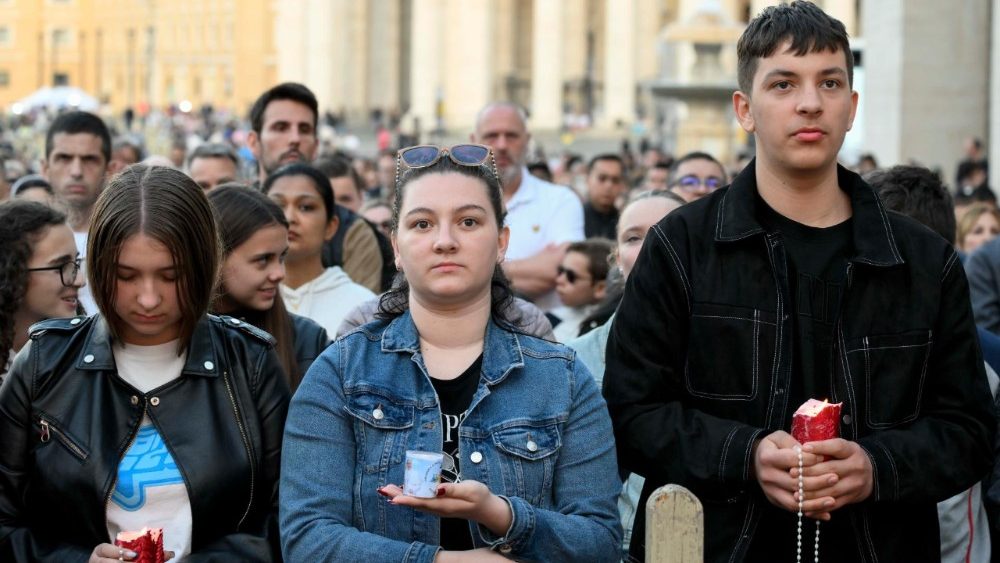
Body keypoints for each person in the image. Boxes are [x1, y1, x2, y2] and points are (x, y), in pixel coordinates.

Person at [604, 3, 995, 562]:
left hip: (877, 544)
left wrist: (874, 465)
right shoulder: (681, 246)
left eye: (829, 82)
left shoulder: (925, 261)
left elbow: (970, 430)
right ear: (744, 108)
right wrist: (747, 454)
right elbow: (630, 409)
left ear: (852, 106)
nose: (810, 102)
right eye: (783, 83)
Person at [280, 144, 622, 562]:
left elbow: (600, 542)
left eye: (468, 221)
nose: (445, 241)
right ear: (397, 248)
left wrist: (500, 514)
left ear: (501, 242)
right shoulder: (339, 372)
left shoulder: (563, 379)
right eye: (423, 223)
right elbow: (307, 538)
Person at [0, 165, 290, 561]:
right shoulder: (44, 364)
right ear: (99, 268)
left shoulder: (250, 364)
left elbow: (286, 519)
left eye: (171, 276)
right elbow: (6, 522)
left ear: (203, 265)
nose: (149, 298)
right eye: (127, 276)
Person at [566, 190, 684, 554]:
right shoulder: (573, 361)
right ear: (617, 259)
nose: (652, 245)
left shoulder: (736, 357)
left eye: (669, 231)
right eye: (634, 237)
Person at [207, 184, 330, 392]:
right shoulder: (174, 340)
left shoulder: (308, 341)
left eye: (282, 257)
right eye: (263, 259)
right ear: (216, 257)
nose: (279, 273)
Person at [471, 102, 584, 311]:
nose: (502, 145)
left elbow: (562, 271)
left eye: (511, 136)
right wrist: (530, 266)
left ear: (528, 140)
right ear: (473, 141)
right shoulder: (455, 202)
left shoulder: (560, 200)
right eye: (492, 136)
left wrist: (473, 270)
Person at [261, 163, 375, 336]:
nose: (290, 218)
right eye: (278, 205)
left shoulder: (362, 307)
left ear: (331, 226)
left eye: (306, 207)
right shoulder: (242, 300)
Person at [0, 201, 84, 379]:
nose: (79, 280)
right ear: (12, 272)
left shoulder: (85, 356)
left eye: (75, 264)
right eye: (60, 266)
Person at [41, 111, 111, 315]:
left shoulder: (126, 239)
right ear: (45, 168)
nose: (76, 171)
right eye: (64, 158)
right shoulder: (24, 243)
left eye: (89, 159)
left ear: (109, 169)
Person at [550, 239, 614, 342]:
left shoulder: (608, 331)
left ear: (601, 288)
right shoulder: (551, 318)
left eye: (571, 276)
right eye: (560, 271)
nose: (559, 280)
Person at [582, 154, 628, 240]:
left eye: (615, 180)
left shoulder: (626, 224)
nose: (609, 185)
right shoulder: (574, 220)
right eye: (602, 178)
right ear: (587, 180)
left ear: (622, 185)